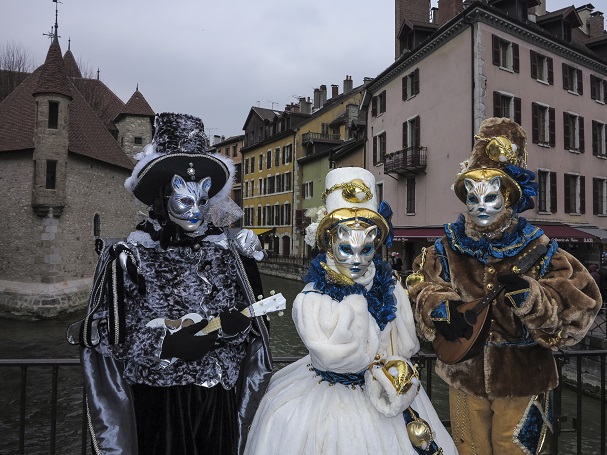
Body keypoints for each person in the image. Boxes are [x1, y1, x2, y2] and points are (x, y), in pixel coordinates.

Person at [67, 113, 272, 455]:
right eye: (183, 200)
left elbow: (250, 330)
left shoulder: (231, 252)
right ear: (163, 196)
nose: (195, 211)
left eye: (201, 200)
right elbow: (108, 337)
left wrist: (234, 327)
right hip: (159, 400)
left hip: (216, 398)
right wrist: (166, 346)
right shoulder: (129, 255)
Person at [407, 117, 602, 455]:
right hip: (463, 371)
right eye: (473, 197)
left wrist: (533, 298)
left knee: (515, 450)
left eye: (491, 196)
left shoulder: (540, 248)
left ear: (509, 197)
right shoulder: (446, 247)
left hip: (523, 376)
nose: (481, 205)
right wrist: (439, 307)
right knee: (468, 448)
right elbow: (417, 284)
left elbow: (583, 303)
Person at [244, 167, 458, 455]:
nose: (357, 260)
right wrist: (356, 302)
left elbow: (404, 346)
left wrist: (398, 372)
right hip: (329, 402)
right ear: (330, 245)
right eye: (346, 249)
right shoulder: (312, 298)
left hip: (389, 397)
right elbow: (340, 358)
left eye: (366, 249)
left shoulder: (391, 287)